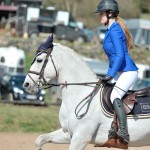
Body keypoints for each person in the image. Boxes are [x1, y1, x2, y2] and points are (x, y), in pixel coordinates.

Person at [95, 0, 138, 144]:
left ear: (110, 13)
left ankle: (124, 133)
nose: (99, 16)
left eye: (101, 13)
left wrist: (111, 75)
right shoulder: (110, 30)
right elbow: (113, 59)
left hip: (128, 71)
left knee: (114, 95)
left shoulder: (115, 30)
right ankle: (112, 128)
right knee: (103, 91)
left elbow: (119, 55)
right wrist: (107, 76)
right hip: (119, 71)